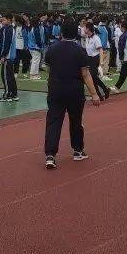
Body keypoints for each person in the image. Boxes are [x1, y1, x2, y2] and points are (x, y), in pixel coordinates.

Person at [43, 20, 102, 169]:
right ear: (75, 33)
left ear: (61, 32)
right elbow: (86, 74)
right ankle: (77, 150)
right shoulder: (80, 50)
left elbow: (48, 68)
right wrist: (94, 94)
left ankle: (50, 154)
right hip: (75, 91)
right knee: (76, 121)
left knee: (53, 121)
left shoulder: (52, 48)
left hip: (56, 89)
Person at [82, 21, 110, 100]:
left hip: (95, 58)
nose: (83, 29)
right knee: (93, 78)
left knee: (92, 77)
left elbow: (100, 50)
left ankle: (100, 94)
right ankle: (104, 91)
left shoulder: (96, 38)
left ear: (88, 29)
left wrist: (101, 62)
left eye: (85, 27)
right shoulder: (87, 37)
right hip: (89, 59)